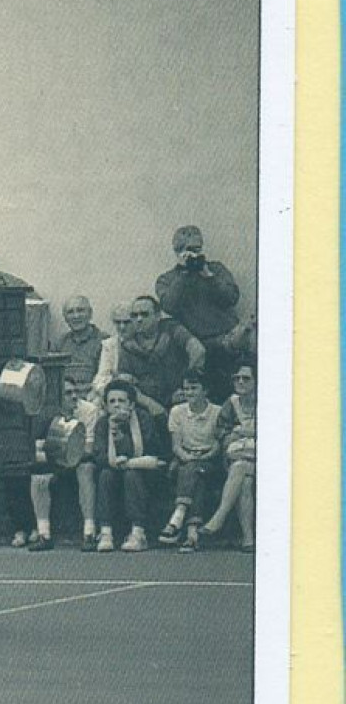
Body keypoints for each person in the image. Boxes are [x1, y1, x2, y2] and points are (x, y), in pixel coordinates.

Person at [154, 226, 245, 398]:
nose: (194, 254)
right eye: (188, 250)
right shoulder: (167, 279)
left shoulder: (216, 269)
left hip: (225, 339)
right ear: (177, 252)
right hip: (195, 344)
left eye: (197, 249)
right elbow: (169, 306)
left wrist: (208, 275)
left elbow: (231, 298)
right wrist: (183, 274)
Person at [24, 371, 102, 551]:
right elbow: (36, 449)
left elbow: (88, 449)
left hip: (79, 461)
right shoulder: (43, 412)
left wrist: (58, 449)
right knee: (38, 476)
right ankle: (44, 534)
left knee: (86, 469)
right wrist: (61, 451)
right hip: (54, 461)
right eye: (68, 393)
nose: (74, 396)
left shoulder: (89, 410)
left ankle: (89, 532)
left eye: (75, 391)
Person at [93, 378, 168, 552]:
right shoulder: (103, 423)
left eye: (121, 401)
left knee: (131, 475)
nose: (117, 405)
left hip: (143, 471)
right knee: (105, 475)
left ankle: (138, 532)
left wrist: (124, 443)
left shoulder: (144, 419)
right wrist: (115, 452)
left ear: (131, 404)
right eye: (112, 401)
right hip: (114, 469)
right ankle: (105, 532)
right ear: (105, 406)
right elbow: (100, 456)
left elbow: (152, 451)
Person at [160, 370, 224, 552]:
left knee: (195, 471)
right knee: (194, 475)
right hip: (184, 458)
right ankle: (192, 534)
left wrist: (203, 456)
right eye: (186, 389)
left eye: (194, 388)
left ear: (206, 390)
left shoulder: (218, 412)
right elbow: (176, 446)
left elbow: (218, 445)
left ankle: (177, 517)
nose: (189, 393)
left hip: (209, 460)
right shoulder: (177, 412)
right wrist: (187, 457)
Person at [201, 363, 257, 552]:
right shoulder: (231, 403)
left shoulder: (266, 401)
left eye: (246, 378)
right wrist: (232, 435)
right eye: (237, 378)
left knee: (242, 471)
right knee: (244, 476)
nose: (240, 381)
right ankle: (248, 539)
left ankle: (220, 516)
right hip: (237, 458)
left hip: (263, 458)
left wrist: (248, 431)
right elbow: (221, 431)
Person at [116, 295, 204, 408]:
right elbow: (125, 384)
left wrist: (186, 387)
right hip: (148, 405)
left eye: (144, 314)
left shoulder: (173, 330)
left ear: (158, 316)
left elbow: (198, 350)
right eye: (134, 315)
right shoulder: (128, 345)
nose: (139, 319)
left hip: (181, 398)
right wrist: (152, 406)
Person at [50, 295, 108, 380]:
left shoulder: (104, 342)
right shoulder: (59, 343)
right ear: (65, 318)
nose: (76, 316)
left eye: (80, 310)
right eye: (70, 312)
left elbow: (105, 378)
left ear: (90, 313)